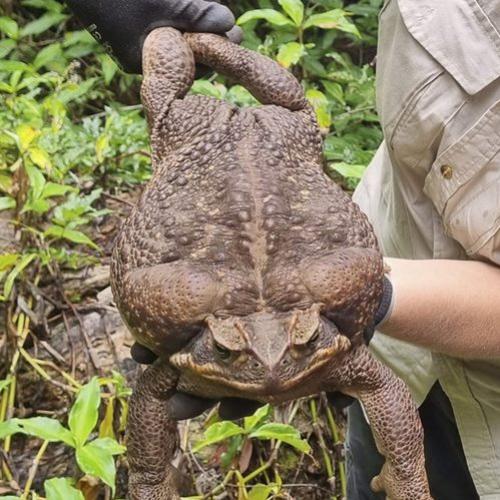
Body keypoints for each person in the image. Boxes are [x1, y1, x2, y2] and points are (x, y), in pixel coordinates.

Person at [66, 1, 500, 498]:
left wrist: (369, 300)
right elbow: (152, 389)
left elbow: (377, 385)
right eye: (237, 351)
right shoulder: (267, 125)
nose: (272, 364)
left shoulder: (325, 337)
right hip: (369, 327)